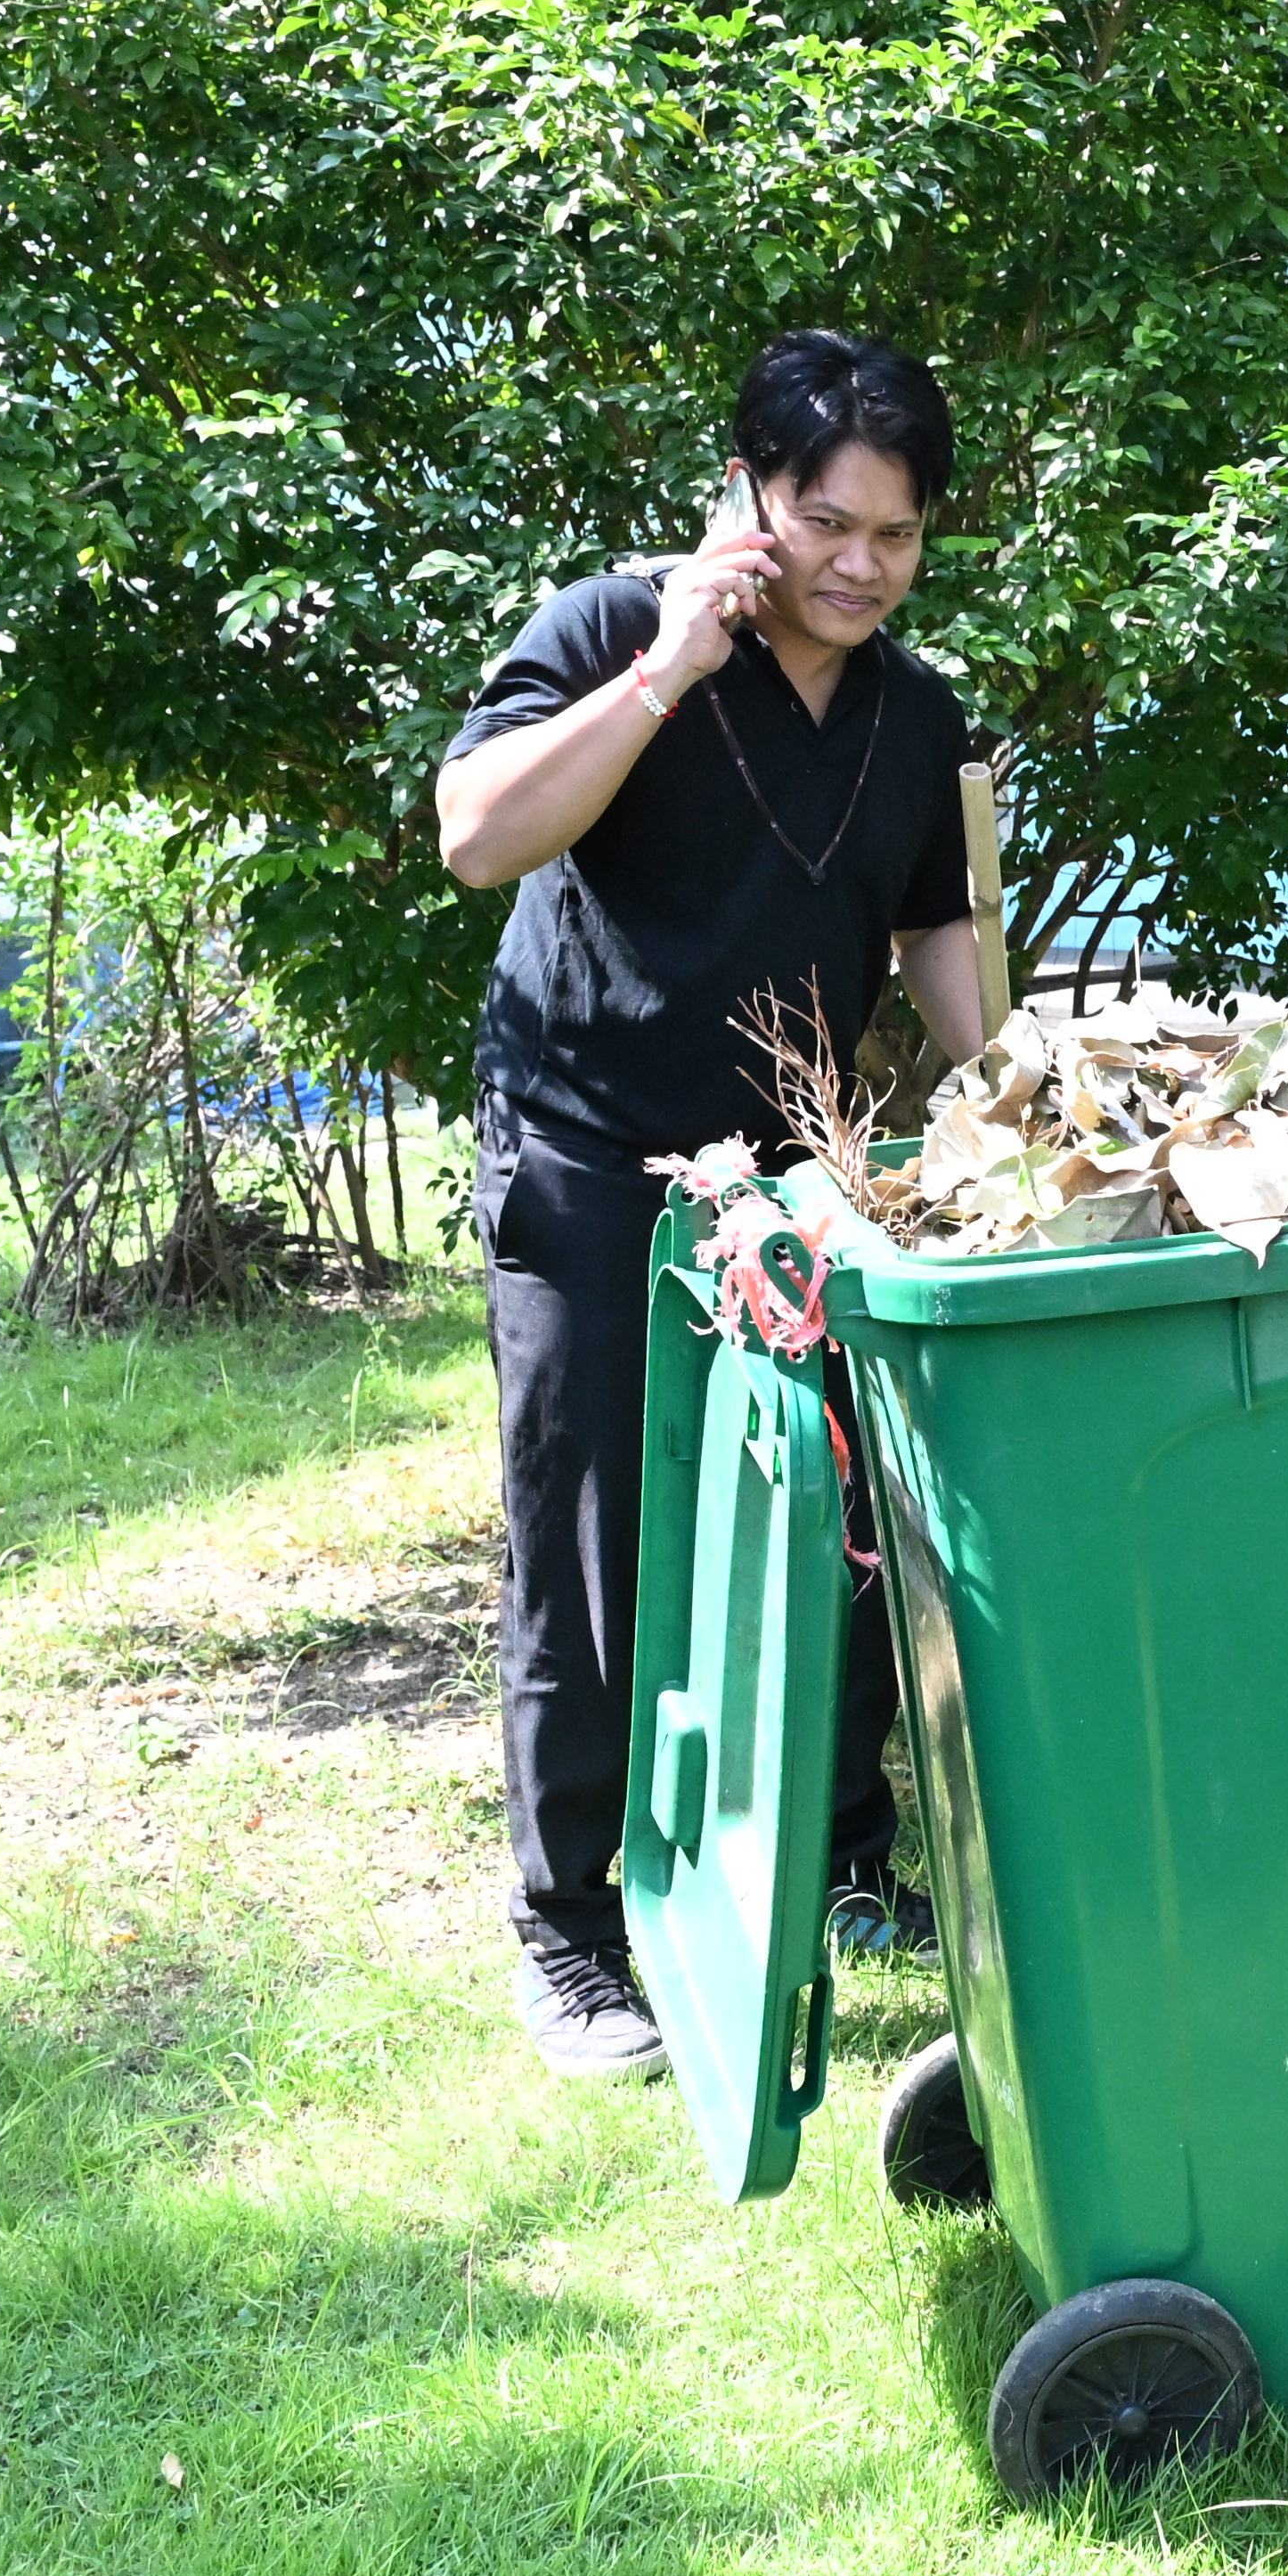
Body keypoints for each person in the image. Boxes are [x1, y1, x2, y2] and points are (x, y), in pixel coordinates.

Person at [436, 331, 996, 2079]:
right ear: (756, 493)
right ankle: (570, 1928)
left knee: (832, 1524)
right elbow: (477, 836)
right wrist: (671, 666)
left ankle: (841, 1862)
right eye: (828, 521)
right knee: (595, 1548)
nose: (858, 564)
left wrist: (1004, 1114)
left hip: (793, 1174)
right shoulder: (613, 628)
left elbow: (939, 930)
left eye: (895, 537)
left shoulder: (914, 710)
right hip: (589, 1157)